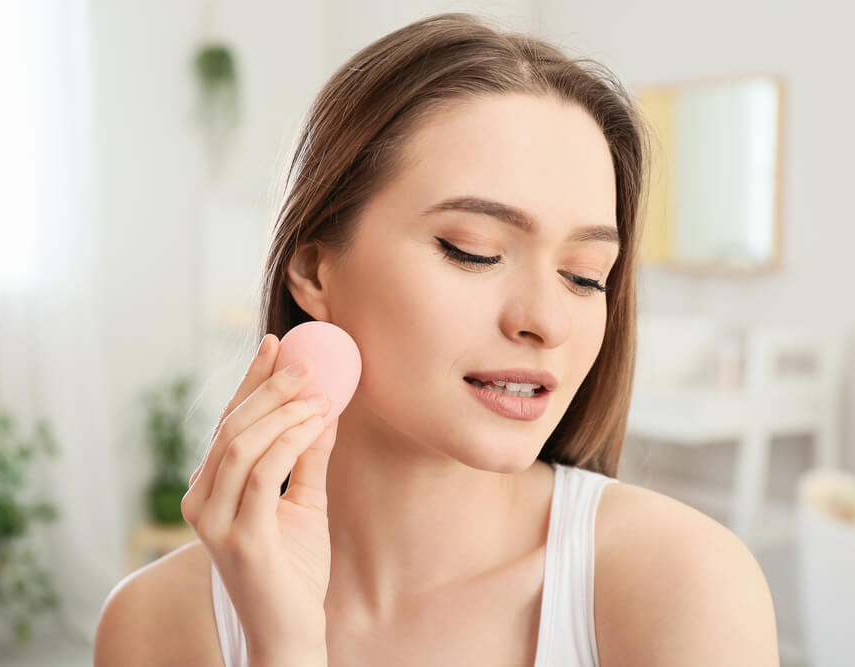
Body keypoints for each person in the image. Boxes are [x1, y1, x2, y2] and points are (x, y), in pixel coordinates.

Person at [94, 12, 779, 667]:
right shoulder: (157, 624)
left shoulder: (684, 584)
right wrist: (284, 644)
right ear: (312, 268)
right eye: (471, 250)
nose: (546, 319)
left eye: (584, 274)